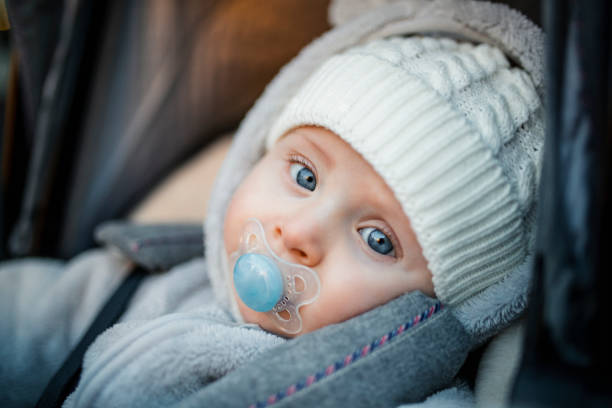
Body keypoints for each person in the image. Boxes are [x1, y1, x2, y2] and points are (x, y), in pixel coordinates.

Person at [0, 1, 544, 407]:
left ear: (455, 305)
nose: (299, 233)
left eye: (378, 239)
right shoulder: (146, 281)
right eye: (305, 175)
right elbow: (28, 321)